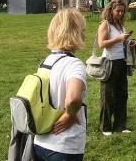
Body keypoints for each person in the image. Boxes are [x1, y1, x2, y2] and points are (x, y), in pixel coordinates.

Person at [34, 8, 87, 160]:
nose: (85, 35)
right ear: (75, 33)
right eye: (82, 30)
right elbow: (73, 99)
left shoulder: (45, 62)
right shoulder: (74, 65)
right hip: (64, 145)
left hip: (41, 140)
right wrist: (69, 114)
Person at [98, 0, 135, 135]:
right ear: (111, 10)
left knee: (122, 94)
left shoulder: (120, 25)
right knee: (108, 95)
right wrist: (118, 39)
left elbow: (121, 43)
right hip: (109, 62)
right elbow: (102, 44)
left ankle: (120, 125)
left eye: (122, 11)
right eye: (118, 11)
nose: (120, 13)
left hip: (122, 61)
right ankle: (105, 127)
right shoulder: (105, 25)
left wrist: (129, 43)